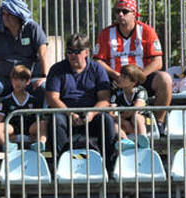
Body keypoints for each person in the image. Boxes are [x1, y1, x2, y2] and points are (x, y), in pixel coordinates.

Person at [94, 0, 172, 132]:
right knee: (99, 84)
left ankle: (159, 123)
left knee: (165, 79)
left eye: (124, 11)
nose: (120, 15)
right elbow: (97, 61)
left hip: (141, 78)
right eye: (117, 11)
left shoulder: (147, 31)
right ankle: (116, 126)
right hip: (116, 79)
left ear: (134, 14)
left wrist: (136, 77)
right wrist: (116, 75)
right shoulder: (106, 33)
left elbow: (158, 62)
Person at [45, 34, 117, 172]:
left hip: (91, 115)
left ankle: (108, 165)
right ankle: (61, 165)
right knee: (56, 121)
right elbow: (52, 98)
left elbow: (104, 99)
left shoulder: (97, 69)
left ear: (86, 52)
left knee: (106, 120)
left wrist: (91, 114)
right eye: (69, 51)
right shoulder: (57, 69)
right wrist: (69, 114)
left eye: (77, 52)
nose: (72, 55)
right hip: (65, 114)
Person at [0, 0, 48, 121]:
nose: (5, 18)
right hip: (5, 80)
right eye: (3, 14)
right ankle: (3, 121)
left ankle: (39, 122)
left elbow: (43, 52)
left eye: (9, 14)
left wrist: (44, 76)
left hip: (29, 79)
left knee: (44, 87)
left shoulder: (32, 28)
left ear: (18, 15)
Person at [0, 65, 47, 151]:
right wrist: (3, 134)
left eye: (21, 80)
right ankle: (7, 145)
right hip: (12, 129)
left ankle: (40, 144)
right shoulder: (5, 100)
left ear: (28, 81)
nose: (17, 82)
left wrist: (35, 136)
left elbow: (39, 120)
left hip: (30, 129)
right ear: (11, 81)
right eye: (15, 79)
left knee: (43, 124)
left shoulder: (34, 100)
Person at [110, 64, 149, 146]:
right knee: (114, 125)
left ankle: (144, 141)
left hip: (143, 124)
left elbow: (136, 108)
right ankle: (127, 143)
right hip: (124, 123)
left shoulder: (141, 91)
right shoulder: (117, 92)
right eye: (120, 75)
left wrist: (122, 119)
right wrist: (123, 121)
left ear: (133, 82)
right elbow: (111, 112)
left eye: (124, 77)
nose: (119, 78)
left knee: (136, 117)